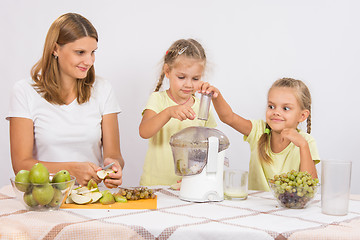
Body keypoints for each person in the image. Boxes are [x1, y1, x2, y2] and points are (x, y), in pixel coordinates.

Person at [7, 13, 124, 188]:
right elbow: (21, 164)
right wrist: (70, 170)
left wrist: (113, 164)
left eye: (93, 52)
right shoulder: (25, 92)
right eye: (80, 52)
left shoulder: (103, 89)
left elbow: (114, 154)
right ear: (55, 49)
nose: (89, 61)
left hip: (90, 197)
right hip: (44, 198)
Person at [199, 78, 320, 191]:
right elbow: (229, 118)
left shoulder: (306, 142)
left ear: (302, 115)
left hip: (288, 206)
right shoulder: (258, 130)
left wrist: (303, 145)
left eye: (286, 108)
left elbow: (310, 186)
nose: (276, 112)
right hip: (256, 206)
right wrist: (216, 97)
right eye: (271, 106)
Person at [139, 39, 217, 186]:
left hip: (188, 184)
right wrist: (168, 112)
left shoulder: (202, 106)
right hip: (155, 184)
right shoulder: (158, 100)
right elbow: (144, 131)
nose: (188, 84)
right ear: (167, 71)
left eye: (195, 78)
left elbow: (210, 146)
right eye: (181, 77)